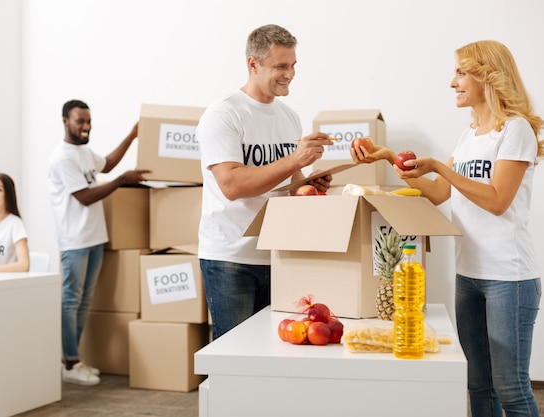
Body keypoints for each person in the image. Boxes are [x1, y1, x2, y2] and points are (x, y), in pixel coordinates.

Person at [352, 40, 543, 417]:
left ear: (487, 76)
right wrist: (390, 156)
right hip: (468, 274)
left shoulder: (515, 130)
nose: (452, 82)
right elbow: (439, 193)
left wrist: (442, 166)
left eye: (460, 72)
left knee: (511, 388)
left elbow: (496, 199)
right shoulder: (469, 136)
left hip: (509, 278)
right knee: (477, 384)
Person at [197, 24, 333, 341]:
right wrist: (294, 161)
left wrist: (312, 184)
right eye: (280, 66)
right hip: (231, 257)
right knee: (234, 355)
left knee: (272, 354)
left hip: (277, 253)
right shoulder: (224, 114)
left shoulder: (289, 117)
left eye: (293, 65)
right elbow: (231, 185)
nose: (290, 74)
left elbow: (291, 183)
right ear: (253, 65)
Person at [48, 99, 150, 386]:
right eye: (80, 121)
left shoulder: (82, 152)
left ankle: (74, 361)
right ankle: (68, 362)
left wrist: (131, 136)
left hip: (94, 237)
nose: (85, 126)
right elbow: (84, 196)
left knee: (83, 302)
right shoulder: (62, 157)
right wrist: (122, 180)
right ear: (65, 121)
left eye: (89, 121)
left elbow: (107, 164)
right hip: (74, 239)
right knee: (71, 301)